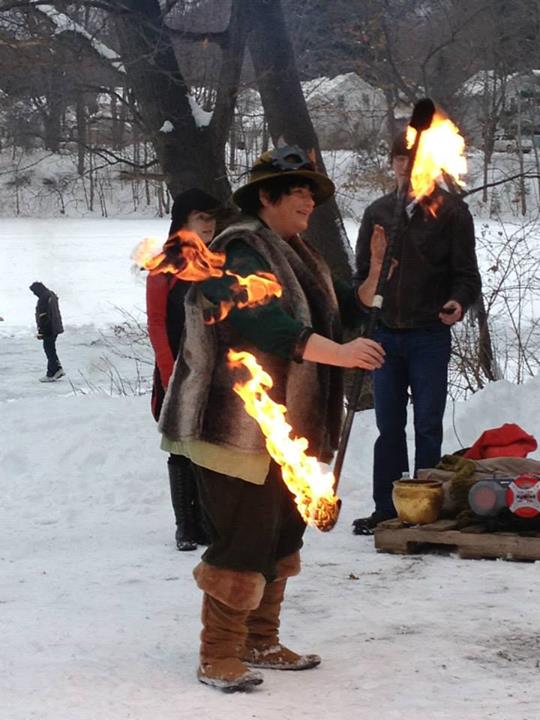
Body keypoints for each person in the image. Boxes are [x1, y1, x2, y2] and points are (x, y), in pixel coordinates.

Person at [158, 146, 386, 692]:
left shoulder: (297, 253)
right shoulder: (237, 252)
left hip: (289, 429)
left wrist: (374, 273)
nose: (310, 199)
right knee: (246, 536)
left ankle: (261, 639)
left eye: (313, 191)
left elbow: (337, 316)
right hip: (233, 425)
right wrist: (341, 354)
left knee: (284, 533)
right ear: (267, 197)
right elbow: (261, 325)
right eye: (298, 190)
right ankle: (218, 653)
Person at [351, 132, 482, 536]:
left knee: (427, 424)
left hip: (429, 334)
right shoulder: (377, 212)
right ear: (392, 163)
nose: (407, 165)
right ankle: (385, 507)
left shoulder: (452, 212)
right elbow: (362, 277)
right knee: (389, 425)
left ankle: (430, 505)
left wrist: (457, 302)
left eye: (415, 158)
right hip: (386, 334)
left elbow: (466, 275)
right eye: (400, 158)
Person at [146, 188, 223, 551]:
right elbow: (157, 323)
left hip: (216, 369)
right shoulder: (164, 265)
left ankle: (208, 521)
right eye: (201, 218)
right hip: (176, 367)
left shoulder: (220, 261)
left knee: (209, 445)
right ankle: (186, 526)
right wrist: (167, 372)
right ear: (183, 222)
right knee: (180, 448)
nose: (209, 225)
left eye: (212, 218)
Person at [29, 282, 65, 383]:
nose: (34, 294)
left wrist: (42, 331)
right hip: (55, 327)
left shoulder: (43, 298)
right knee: (51, 349)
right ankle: (56, 369)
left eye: (34, 291)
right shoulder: (51, 294)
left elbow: (43, 316)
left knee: (49, 350)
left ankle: (52, 372)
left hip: (49, 328)